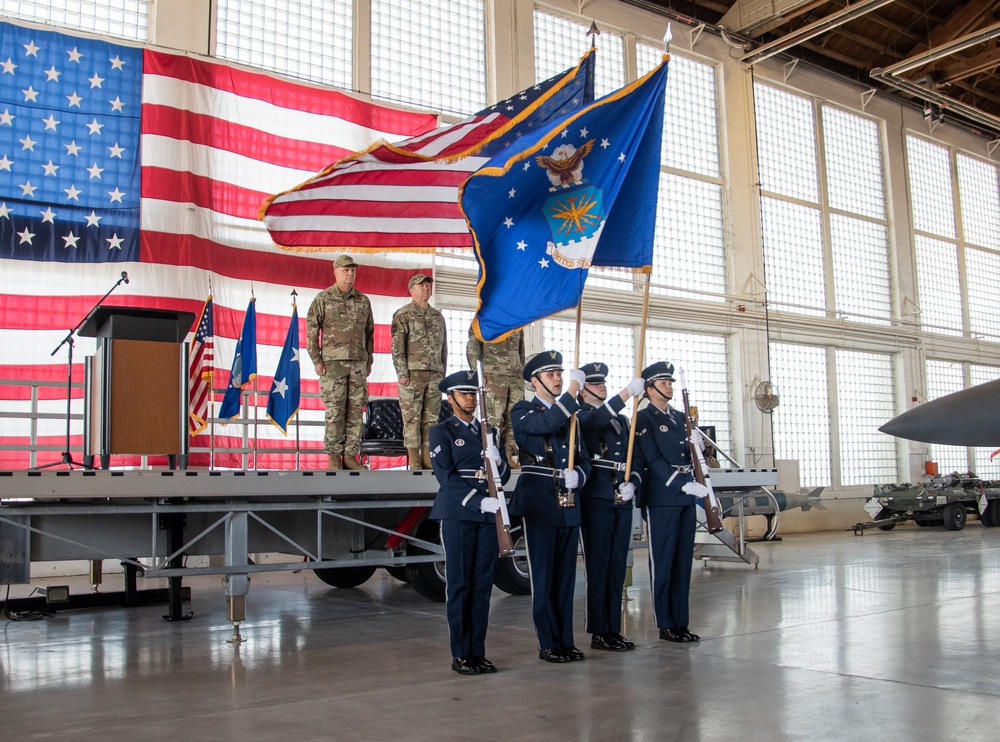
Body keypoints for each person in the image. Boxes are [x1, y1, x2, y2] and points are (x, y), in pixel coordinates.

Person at [510, 350, 591, 663]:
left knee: (566, 579)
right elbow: (546, 423)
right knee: (543, 577)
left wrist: (579, 475)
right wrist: (572, 392)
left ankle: (565, 640)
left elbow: (582, 458)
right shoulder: (523, 410)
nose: (558, 379)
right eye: (551, 375)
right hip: (540, 502)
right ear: (535, 381)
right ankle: (547, 643)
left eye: (560, 373)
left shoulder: (571, 416)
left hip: (568, 501)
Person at [428, 369, 511, 675]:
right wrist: (477, 501)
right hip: (458, 514)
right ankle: (461, 653)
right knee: (460, 585)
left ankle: (478, 651)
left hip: (488, 515)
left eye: (473, 393)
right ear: (449, 398)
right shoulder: (442, 432)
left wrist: (499, 462)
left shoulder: (490, 432)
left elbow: (502, 477)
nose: (470, 399)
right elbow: (445, 476)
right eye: (464, 394)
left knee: (482, 586)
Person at [633, 361, 710, 643]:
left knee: (681, 563)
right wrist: (680, 483)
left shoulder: (680, 418)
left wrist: (698, 446)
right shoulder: (643, 419)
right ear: (650, 389)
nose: (670, 387)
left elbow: (690, 456)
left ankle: (681, 621)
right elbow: (652, 460)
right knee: (663, 562)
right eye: (664, 383)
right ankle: (665, 623)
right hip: (662, 496)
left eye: (670, 382)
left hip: (685, 496)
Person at [575, 362, 645, 652]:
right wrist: (626, 393)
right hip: (597, 494)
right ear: (582, 389)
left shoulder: (622, 420)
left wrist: (634, 482)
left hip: (620, 493)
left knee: (617, 564)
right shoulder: (580, 416)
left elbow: (634, 455)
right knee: (599, 565)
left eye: (604, 382)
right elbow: (595, 422)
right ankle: (598, 631)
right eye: (595, 383)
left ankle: (613, 628)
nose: (602, 386)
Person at [306, 254, 374, 471]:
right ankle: (334, 456)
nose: (350, 273)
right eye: (346, 270)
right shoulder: (323, 299)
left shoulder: (363, 301)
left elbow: (370, 332)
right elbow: (311, 330)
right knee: (335, 410)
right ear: (335, 272)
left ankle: (350, 455)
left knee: (355, 410)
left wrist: (369, 359)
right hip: (332, 364)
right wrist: (316, 359)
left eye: (353, 270)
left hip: (358, 364)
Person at [391, 274, 447, 469]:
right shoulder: (403, 314)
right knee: (412, 417)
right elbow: (397, 347)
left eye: (427, 285)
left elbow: (443, 348)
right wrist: (402, 373)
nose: (425, 288)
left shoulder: (437, 316)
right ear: (411, 290)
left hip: (435, 374)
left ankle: (427, 456)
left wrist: (443, 374)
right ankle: (414, 457)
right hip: (412, 374)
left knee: (431, 418)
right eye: (421, 285)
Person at [467, 327, 525, 466]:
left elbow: (521, 349)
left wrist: (522, 370)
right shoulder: (486, 313)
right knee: (494, 419)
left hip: (515, 375)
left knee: (514, 418)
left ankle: (508, 455)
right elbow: (473, 344)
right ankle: (490, 456)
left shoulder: (518, 318)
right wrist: (477, 371)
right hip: (493, 375)